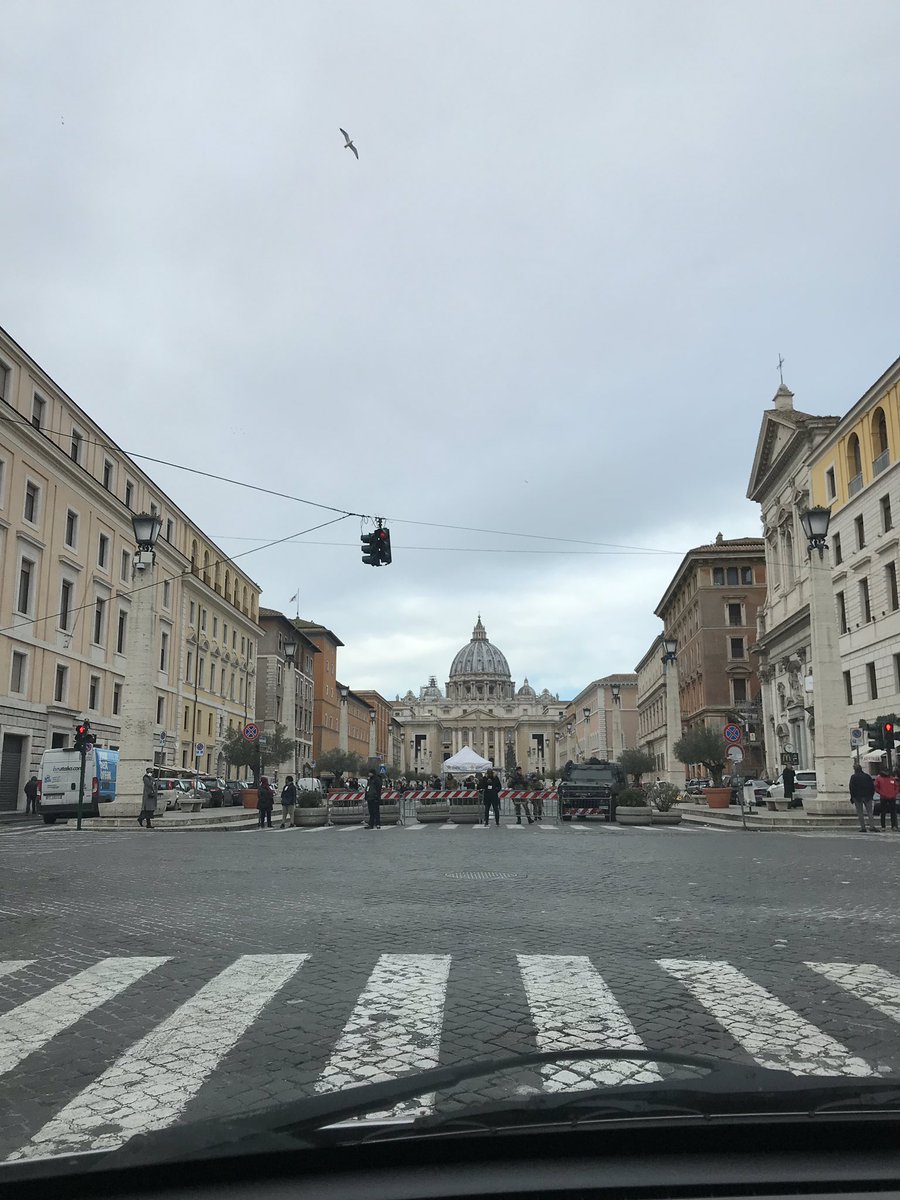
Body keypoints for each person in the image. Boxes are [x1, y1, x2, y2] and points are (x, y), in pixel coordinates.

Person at [849, 764, 876, 832]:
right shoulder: (867, 776)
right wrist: (871, 795)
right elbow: (872, 786)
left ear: (855, 770)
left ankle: (863, 827)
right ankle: (872, 826)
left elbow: (851, 788)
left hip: (857, 797)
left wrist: (852, 797)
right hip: (868, 796)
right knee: (869, 812)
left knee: (860, 812)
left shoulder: (853, 777)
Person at [874, 765, 899, 831]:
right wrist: (881, 792)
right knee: (884, 812)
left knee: (892, 812)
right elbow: (876, 787)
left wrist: (894, 792)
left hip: (890, 797)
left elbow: (897, 787)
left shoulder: (892, 779)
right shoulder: (880, 779)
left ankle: (893, 826)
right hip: (884, 797)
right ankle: (884, 826)